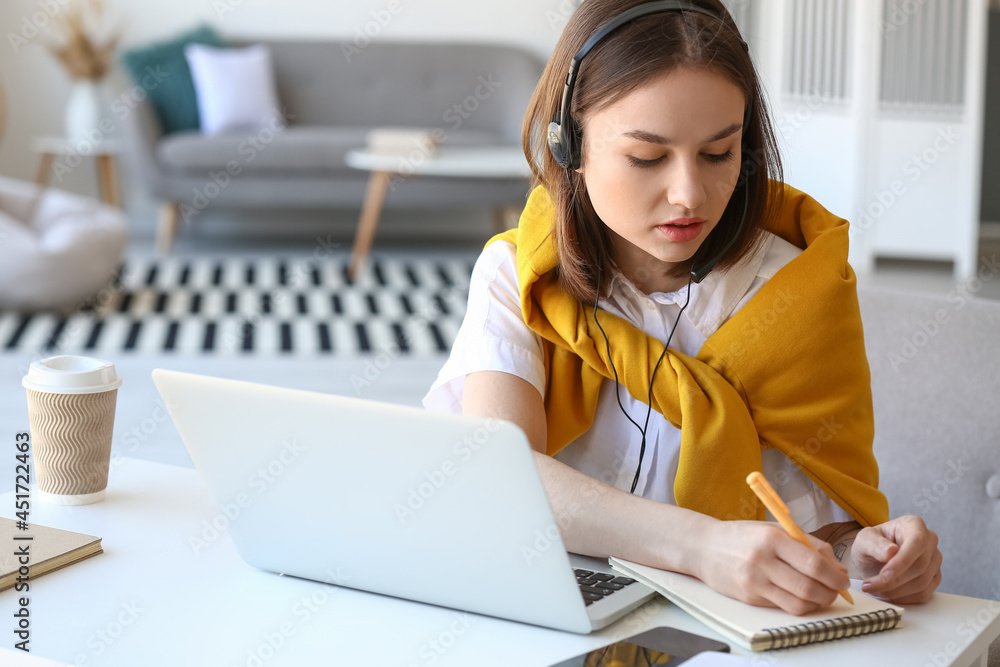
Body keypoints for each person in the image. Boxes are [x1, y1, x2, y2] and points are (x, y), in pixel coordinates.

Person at [423, 0, 942, 616]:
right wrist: (701, 546)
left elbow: (818, 529)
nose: (689, 195)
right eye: (647, 158)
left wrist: (862, 555)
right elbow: (501, 475)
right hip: (548, 607)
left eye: (720, 153)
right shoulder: (519, 275)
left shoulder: (801, 288)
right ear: (570, 145)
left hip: (727, 633)